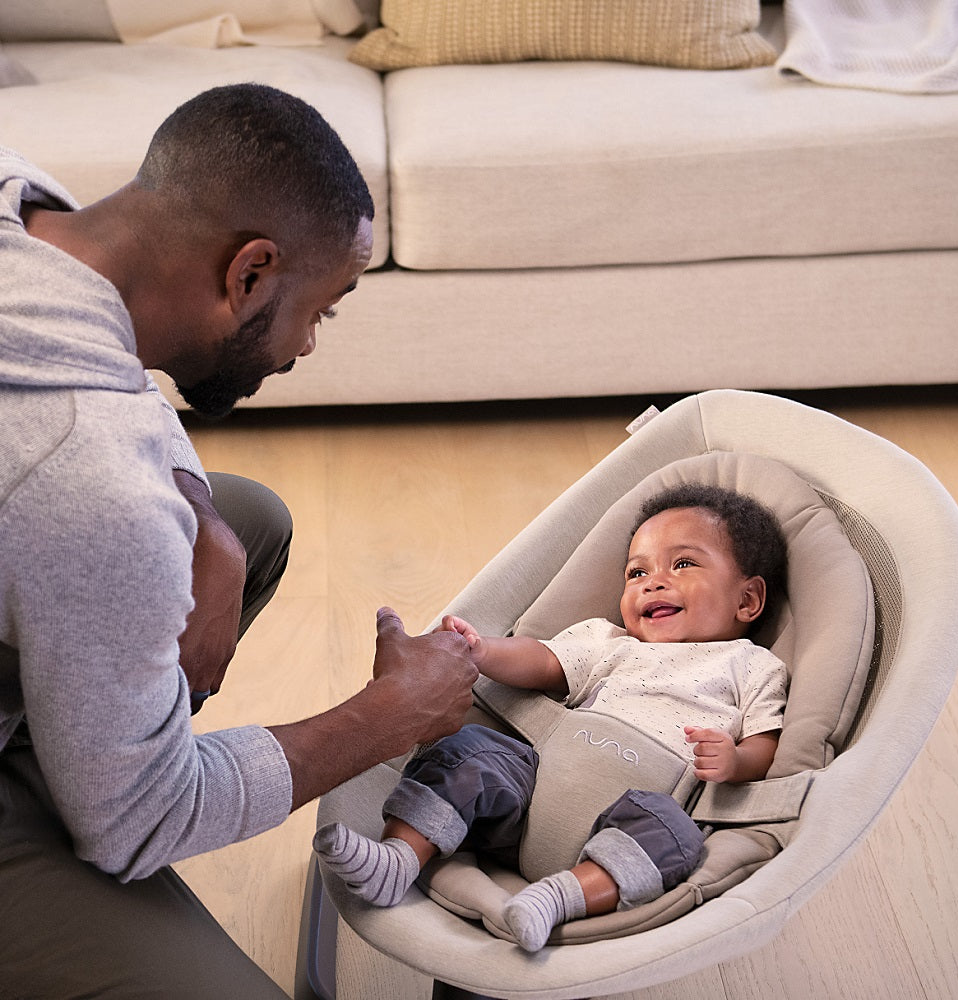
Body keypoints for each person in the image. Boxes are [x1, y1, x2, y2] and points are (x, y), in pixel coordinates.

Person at [0, 84, 478, 996]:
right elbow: (137, 823)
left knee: (242, 517)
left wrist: (203, 524)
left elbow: (109, 387)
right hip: (114, 781)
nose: (305, 346)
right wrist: (390, 717)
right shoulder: (90, 490)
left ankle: (71, 753)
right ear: (249, 272)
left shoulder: (26, 203)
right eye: (321, 309)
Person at [315, 484, 788, 952]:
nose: (653, 581)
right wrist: (481, 650)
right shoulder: (610, 643)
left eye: (682, 564)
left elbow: (766, 745)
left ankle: (556, 901)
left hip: (636, 816)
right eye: (636, 571)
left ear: (747, 600)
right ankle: (400, 859)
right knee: (471, 749)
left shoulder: (751, 665)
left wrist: (734, 761)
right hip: (533, 798)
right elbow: (540, 661)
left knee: (677, 836)